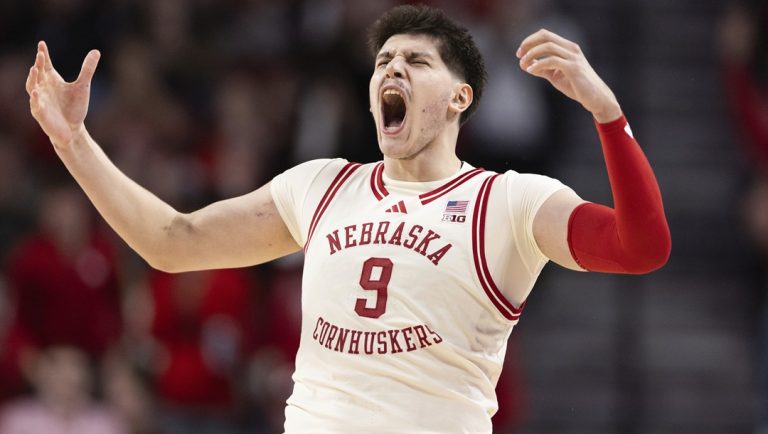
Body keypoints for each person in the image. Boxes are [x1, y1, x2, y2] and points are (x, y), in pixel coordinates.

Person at [25, 4, 671, 433]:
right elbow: (173, 241)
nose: (392, 68)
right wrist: (74, 144)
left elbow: (640, 247)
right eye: (384, 62)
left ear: (459, 99)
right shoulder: (323, 185)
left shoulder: (510, 200)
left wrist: (608, 114)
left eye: (416, 61)